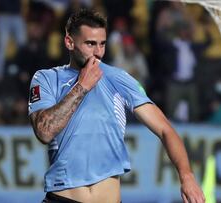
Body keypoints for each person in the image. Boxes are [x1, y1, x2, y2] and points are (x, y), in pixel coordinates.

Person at [28, 9, 205, 203]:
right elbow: (44, 132)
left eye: (102, 44)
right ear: (69, 42)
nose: (98, 52)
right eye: (90, 44)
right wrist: (82, 86)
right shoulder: (46, 79)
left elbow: (165, 129)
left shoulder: (118, 78)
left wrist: (187, 176)